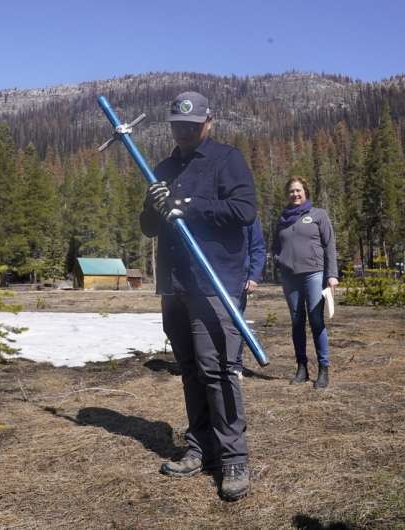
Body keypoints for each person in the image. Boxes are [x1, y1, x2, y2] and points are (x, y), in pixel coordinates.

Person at [140, 91, 256, 502]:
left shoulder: (228, 160)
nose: (185, 133)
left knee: (218, 368)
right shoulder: (163, 167)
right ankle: (200, 447)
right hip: (175, 285)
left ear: (209, 122)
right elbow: (148, 228)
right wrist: (156, 207)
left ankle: (233, 457)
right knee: (189, 368)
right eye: (178, 126)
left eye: (192, 126)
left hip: (214, 284)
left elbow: (244, 210)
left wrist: (189, 206)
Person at [272, 176, 338, 389]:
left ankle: (323, 368)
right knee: (296, 321)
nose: (295, 194)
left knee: (316, 320)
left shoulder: (318, 215)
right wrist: (278, 261)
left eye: (298, 190)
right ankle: (301, 367)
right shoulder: (282, 218)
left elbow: (329, 245)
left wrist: (332, 274)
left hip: (314, 274)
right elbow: (275, 246)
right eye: (291, 191)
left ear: (306, 192)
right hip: (290, 277)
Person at [234, 217, 266, 380]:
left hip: (239, 278)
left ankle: (235, 365)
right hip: (213, 277)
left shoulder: (248, 216)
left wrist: (254, 276)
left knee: (236, 322)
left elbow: (258, 248)